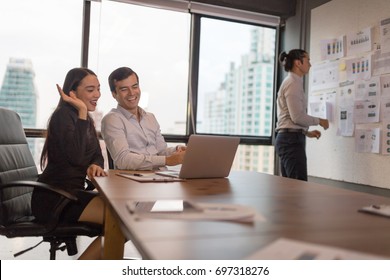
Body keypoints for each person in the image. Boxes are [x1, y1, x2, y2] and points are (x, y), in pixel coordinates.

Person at [31, 68, 107, 259]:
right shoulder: (63, 116)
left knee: (123, 218)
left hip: (71, 195)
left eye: (98, 89)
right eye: (90, 90)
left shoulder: (85, 120)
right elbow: (77, 157)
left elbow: (97, 155)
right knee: (122, 222)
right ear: (72, 93)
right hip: (54, 199)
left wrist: (95, 165)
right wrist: (82, 111)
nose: (97, 94)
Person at [101, 67, 185, 170]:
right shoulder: (112, 119)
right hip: (134, 181)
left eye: (134, 86)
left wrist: (177, 151)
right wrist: (167, 160)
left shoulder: (150, 117)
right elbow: (123, 160)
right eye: (124, 89)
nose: (131, 93)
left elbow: (161, 151)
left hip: (161, 176)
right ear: (114, 94)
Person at [275, 49, 329, 181]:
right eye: (308, 60)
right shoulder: (292, 83)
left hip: (290, 138)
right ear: (298, 63)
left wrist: (306, 133)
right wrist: (320, 121)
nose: (310, 64)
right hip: (290, 140)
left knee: (292, 188)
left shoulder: (294, 82)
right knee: (297, 187)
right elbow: (297, 117)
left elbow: (290, 118)